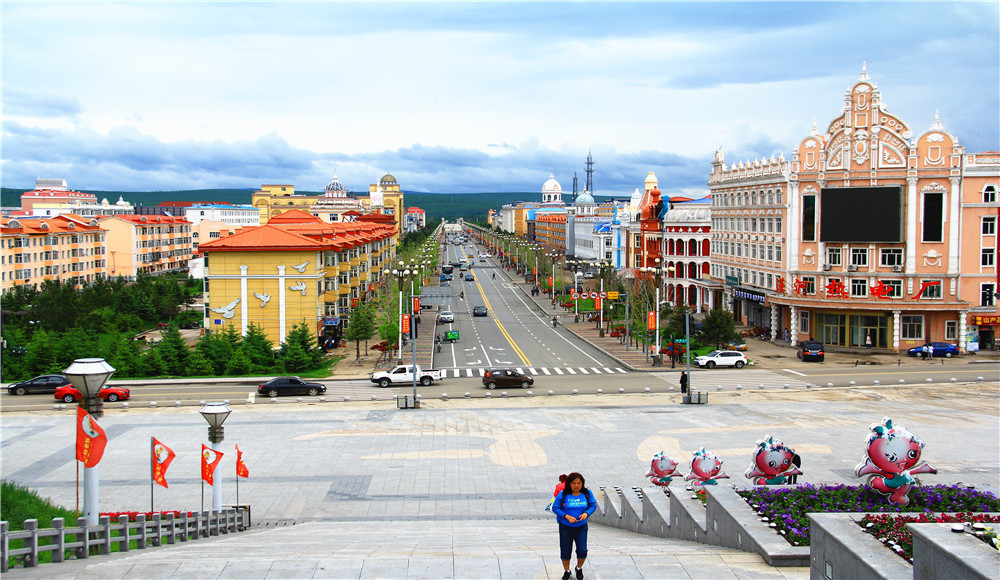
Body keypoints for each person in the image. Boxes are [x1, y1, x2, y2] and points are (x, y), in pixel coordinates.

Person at [552, 472, 597, 580]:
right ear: (569, 484)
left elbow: (593, 505)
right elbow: (555, 508)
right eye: (574, 483)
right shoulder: (563, 494)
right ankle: (567, 570)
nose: (577, 485)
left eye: (579, 483)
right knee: (565, 550)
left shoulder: (587, 493)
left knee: (582, 550)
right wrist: (566, 516)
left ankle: (579, 567)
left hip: (581, 527)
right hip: (565, 527)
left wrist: (586, 513)